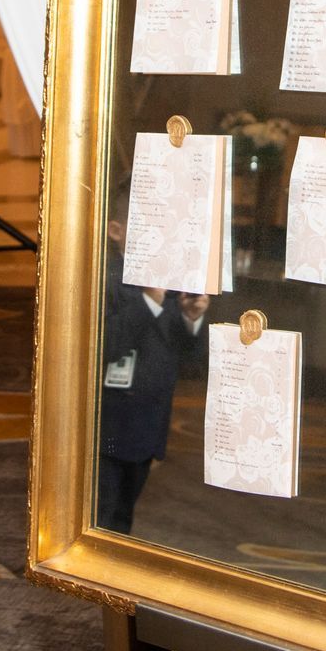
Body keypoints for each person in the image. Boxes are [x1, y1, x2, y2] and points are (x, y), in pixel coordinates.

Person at [98, 181, 210, 535]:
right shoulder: (107, 280)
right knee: (101, 511)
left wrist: (191, 318)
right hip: (107, 427)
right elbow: (107, 346)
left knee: (124, 512)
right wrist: (149, 300)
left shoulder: (170, 283)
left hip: (147, 426)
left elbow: (189, 359)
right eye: (143, 225)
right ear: (116, 231)